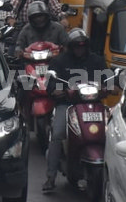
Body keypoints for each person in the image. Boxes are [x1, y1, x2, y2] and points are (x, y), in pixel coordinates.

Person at [43, 29, 111, 193]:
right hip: (68, 105)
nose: (79, 49)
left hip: (94, 105)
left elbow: (109, 80)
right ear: (70, 47)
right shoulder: (59, 61)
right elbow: (51, 84)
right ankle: (51, 177)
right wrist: (57, 90)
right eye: (76, 46)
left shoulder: (97, 61)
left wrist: (109, 87)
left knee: (113, 134)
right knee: (58, 133)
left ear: (87, 46)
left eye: (82, 46)